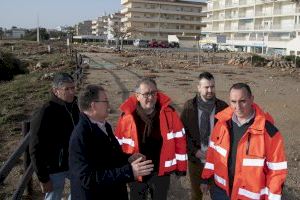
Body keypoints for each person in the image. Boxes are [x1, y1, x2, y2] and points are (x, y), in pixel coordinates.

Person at [201, 83, 288, 200]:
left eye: (242, 101)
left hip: (250, 197)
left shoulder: (269, 133)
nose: (238, 107)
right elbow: (212, 155)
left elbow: (276, 172)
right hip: (221, 192)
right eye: (233, 102)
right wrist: (205, 178)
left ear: (251, 99)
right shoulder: (221, 124)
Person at [68, 84, 154, 200]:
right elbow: (86, 178)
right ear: (93, 105)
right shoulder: (81, 135)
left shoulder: (104, 126)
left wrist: (128, 159)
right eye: (105, 101)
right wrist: (129, 171)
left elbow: (110, 157)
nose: (109, 105)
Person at [115, 77, 187, 200]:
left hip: (160, 172)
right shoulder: (127, 117)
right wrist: (122, 169)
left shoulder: (169, 114)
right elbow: (118, 145)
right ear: (137, 96)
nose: (151, 97)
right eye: (146, 94)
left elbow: (180, 141)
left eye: (154, 93)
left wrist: (181, 168)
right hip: (137, 172)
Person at [29, 72, 80, 200]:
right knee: (53, 196)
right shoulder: (45, 112)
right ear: (56, 91)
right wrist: (43, 178)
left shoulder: (75, 106)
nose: (71, 92)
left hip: (74, 162)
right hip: (54, 167)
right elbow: (34, 148)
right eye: (67, 89)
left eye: (73, 88)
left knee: (81, 189)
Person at [180, 72, 228, 200]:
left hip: (218, 162)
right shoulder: (189, 107)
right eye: (206, 87)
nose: (210, 90)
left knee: (218, 194)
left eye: (212, 86)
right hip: (196, 161)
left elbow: (228, 135)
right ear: (199, 87)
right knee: (196, 195)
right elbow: (183, 135)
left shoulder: (223, 107)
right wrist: (195, 151)